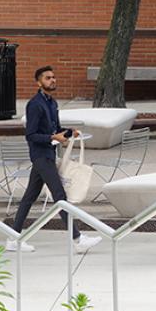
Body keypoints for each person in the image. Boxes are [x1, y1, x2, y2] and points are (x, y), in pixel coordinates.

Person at [8, 66, 102, 254]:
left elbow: (56, 128)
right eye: (48, 78)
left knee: (29, 197)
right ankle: (77, 239)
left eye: (54, 77)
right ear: (39, 82)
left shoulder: (52, 103)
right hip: (41, 156)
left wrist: (69, 132)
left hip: (48, 155)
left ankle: (13, 239)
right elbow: (31, 135)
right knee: (60, 196)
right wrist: (53, 138)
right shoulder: (35, 104)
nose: (53, 80)